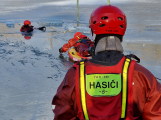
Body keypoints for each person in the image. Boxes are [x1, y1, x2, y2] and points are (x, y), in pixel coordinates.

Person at [52, 5, 161, 120]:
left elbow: (62, 115)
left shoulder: (74, 75)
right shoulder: (142, 75)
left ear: (93, 32)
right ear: (122, 32)